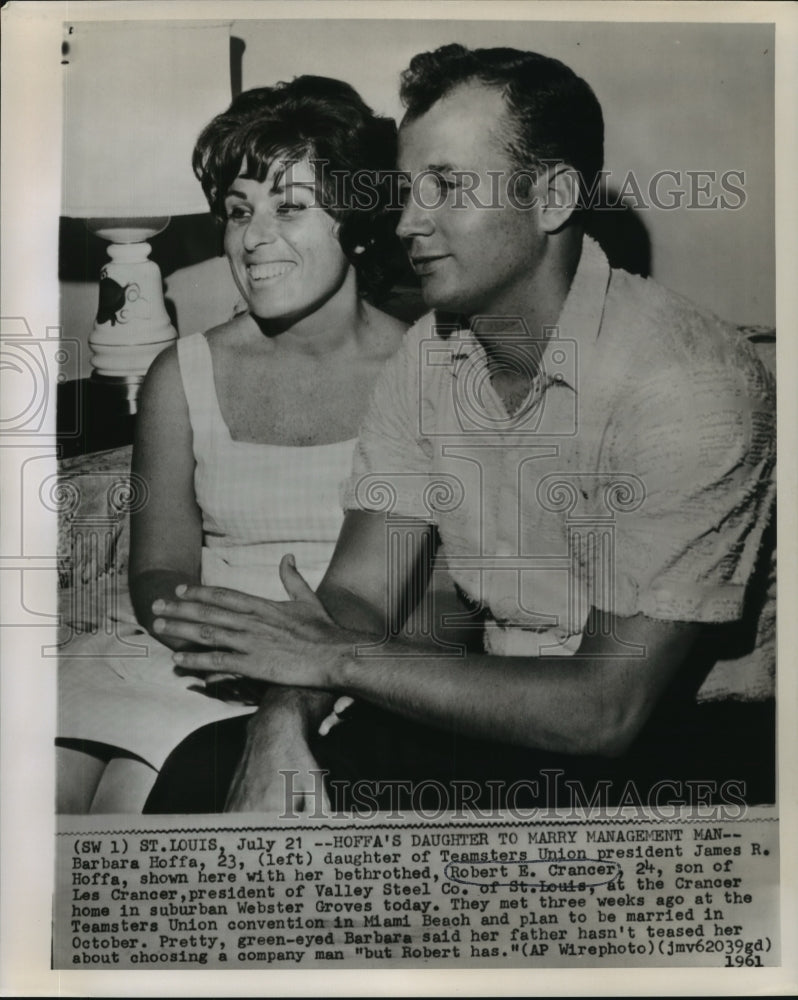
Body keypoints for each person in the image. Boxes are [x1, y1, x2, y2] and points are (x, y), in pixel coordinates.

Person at [152, 45, 776, 813]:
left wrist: (331, 662)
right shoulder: (430, 355)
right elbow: (357, 596)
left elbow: (603, 712)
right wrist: (282, 718)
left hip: (687, 744)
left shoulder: (689, 382)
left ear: (551, 198)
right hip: (500, 714)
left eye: (446, 187)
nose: (409, 222)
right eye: (409, 189)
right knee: (202, 772)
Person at [55, 76, 409, 813]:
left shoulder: (423, 374)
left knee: (128, 805)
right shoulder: (179, 372)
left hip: (332, 666)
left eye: (291, 207)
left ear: (359, 218)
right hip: (186, 656)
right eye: (238, 211)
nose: (252, 239)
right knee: (39, 786)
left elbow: (387, 595)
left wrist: (281, 662)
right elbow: (158, 566)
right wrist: (207, 637)